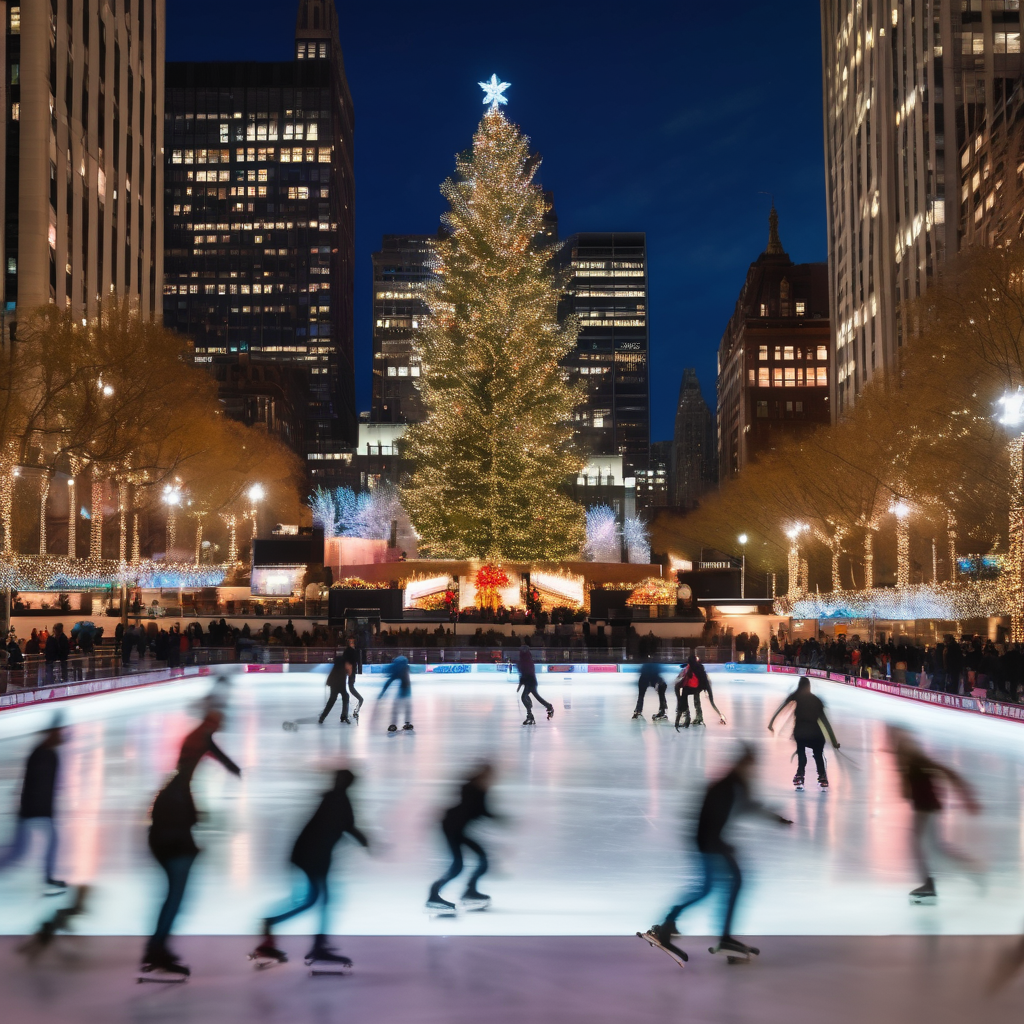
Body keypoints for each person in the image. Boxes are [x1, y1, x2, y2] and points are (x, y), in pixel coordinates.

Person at [643, 747, 792, 962]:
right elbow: (718, 815)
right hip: (709, 843)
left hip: (709, 841)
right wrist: (720, 844)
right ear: (743, 764)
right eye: (750, 765)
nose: (752, 770)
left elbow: (744, 807)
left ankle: (670, 925)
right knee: (728, 883)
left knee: (711, 888)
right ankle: (717, 936)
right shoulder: (729, 784)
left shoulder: (732, 783)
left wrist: (775, 818)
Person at [141, 710, 241, 979]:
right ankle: (156, 949)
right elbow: (173, 824)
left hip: (169, 843)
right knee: (174, 899)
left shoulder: (177, 784)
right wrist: (189, 846)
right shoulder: (180, 785)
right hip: (172, 846)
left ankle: (157, 947)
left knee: (174, 898)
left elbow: (213, 750)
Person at [251, 769, 369, 968]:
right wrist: (367, 843)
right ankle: (310, 942)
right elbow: (348, 827)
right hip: (313, 858)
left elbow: (344, 827)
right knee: (317, 901)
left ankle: (282, 931)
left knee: (314, 901)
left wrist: (364, 841)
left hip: (310, 856)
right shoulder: (338, 800)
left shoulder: (334, 798)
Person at [888, 726, 981, 903]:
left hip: (927, 808)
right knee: (930, 847)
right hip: (924, 807)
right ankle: (966, 873)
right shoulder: (907, 756)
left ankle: (938, 882)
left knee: (927, 847)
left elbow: (948, 772)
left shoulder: (915, 757)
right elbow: (906, 791)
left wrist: (967, 798)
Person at [0, 726, 66, 893]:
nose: (63, 737)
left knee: (24, 850)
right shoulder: (42, 754)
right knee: (20, 851)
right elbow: (34, 784)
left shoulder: (48, 754)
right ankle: (48, 879)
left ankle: (48, 879)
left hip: (38, 810)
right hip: (33, 810)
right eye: (60, 733)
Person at [427, 765, 499, 913]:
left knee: (481, 859)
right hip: (453, 828)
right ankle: (434, 894)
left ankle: (469, 891)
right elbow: (480, 811)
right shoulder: (474, 789)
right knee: (458, 865)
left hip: (456, 828)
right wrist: (504, 820)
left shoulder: (475, 788)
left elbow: (477, 812)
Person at [767, 675, 840, 790]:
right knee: (818, 754)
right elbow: (825, 722)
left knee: (801, 752)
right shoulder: (816, 700)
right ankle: (822, 777)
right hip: (815, 732)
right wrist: (834, 742)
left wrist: (772, 723)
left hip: (800, 731)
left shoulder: (796, 696)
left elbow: (781, 708)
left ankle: (800, 775)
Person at [674, 656, 726, 729]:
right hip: (698, 686)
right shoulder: (693, 667)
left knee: (696, 698)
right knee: (699, 699)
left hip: (699, 686)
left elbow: (703, 679)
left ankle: (694, 717)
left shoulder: (695, 668)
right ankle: (696, 717)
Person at [517, 644, 553, 725]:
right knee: (535, 696)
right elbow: (524, 672)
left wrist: (522, 681)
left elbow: (528, 672)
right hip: (530, 681)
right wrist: (522, 681)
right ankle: (548, 706)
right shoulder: (524, 659)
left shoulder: (526, 660)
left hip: (530, 682)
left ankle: (530, 716)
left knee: (524, 697)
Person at [379, 655, 413, 734]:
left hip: (404, 690)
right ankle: (407, 723)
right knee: (406, 706)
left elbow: (390, 681)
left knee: (397, 707)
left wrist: (382, 692)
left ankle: (394, 724)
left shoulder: (399, 669)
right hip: (407, 690)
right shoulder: (405, 668)